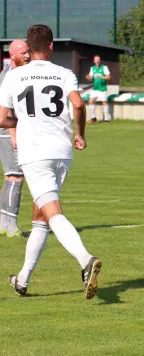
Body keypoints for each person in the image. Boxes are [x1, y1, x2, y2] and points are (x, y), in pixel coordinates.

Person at [0, 24, 101, 299]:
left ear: (29, 50)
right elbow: (78, 105)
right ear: (52, 46)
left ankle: (85, 260)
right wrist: (80, 134)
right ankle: (22, 279)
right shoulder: (64, 73)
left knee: (53, 213)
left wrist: (20, 123)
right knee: (40, 218)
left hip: (35, 152)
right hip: (62, 151)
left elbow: (1, 118)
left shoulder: (14, 76)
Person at [0, 40, 29, 237]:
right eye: (23, 53)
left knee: (10, 177)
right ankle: (11, 226)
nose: (27, 56)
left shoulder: (10, 73)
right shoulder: (11, 75)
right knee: (16, 177)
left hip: (8, 129)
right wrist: (14, 134)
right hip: (9, 130)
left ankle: (3, 223)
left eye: (28, 52)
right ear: (13, 56)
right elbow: (6, 106)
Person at [85, 55, 111, 124]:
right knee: (90, 101)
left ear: (100, 61)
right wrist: (88, 77)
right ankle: (93, 118)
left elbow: (108, 77)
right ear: (94, 61)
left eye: (98, 60)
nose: (97, 61)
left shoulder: (104, 67)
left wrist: (101, 77)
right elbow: (91, 78)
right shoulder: (92, 68)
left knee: (104, 102)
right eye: (96, 60)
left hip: (102, 89)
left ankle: (106, 120)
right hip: (95, 89)